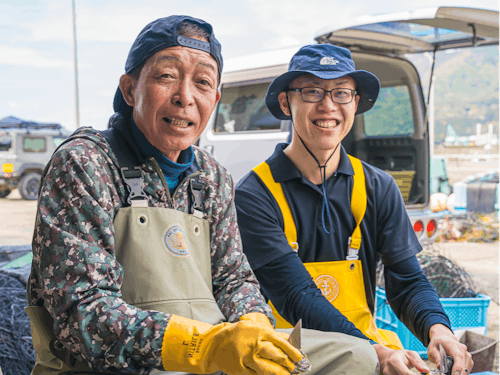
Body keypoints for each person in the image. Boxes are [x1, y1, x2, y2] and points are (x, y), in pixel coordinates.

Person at [25, 16, 379, 375]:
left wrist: (253, 326)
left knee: (356, 358)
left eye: (203, 82)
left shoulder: (212, 177)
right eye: (166, 76)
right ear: (130, 89)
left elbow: (234, 279)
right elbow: (83, 313)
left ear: (216, 98)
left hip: (210, 357)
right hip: (119, 365)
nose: (185, 97)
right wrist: (204, 347)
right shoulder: (85, 163)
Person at [235, 44, 474, 375]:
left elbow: (406, 281)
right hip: (283, 359)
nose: (328, 105)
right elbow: (295, 295)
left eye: (342, 93)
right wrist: (376, 353)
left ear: (356, 103)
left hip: (365, 351)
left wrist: (438, 328)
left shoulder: (377, 187)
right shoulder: (254, 194)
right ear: (285, 102)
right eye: (312, 91)